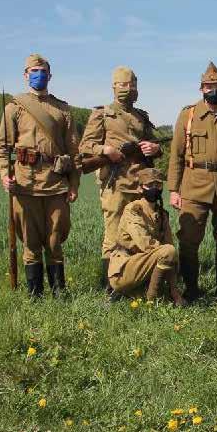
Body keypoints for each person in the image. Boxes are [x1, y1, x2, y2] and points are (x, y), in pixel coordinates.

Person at [0, 53, 79, 298]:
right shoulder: (14, 108)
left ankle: (59, 292)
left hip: (55, 184)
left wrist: (74, 183)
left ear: (50, 75)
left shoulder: (63, 109)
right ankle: (35, 295)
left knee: (54, 240)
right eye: (33, 71)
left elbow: (74, 152)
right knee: (30, 241)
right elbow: (0, 148)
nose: (38, 75)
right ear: (25, 75)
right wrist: (3, 175)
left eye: (42, 71)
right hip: (25, 183)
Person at [167, 61, 217, 303]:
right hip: (194, 186)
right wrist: (173, 189)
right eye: (208, 86)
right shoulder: (188, 115)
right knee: (189, 240)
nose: (213, 89)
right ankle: (191, 288)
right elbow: (177, 155)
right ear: (201, 88)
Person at [79, 66, 161, 289]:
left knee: (141, 232)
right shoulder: (102, 114)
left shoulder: (141, 117)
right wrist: (105, 150)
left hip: (140, 184)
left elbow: (154, 146)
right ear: (114, 87)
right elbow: (85, 146)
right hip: (115, 183)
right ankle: (110, 285)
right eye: (123, 85)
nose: (128, 89)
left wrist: (154, 148)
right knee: (114, 235)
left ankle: (138, 282)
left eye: (132, 85)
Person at [107, 168, 185, 306]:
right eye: (150, 185)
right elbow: (146, 244)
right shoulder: (133, 210)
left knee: (170, 255)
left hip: (146, 264)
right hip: (125, 267)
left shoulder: (162, 214)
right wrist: (165, 253)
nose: (154, 189)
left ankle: (136, 294)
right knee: (167, 251)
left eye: (158, 185)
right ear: (140, 188)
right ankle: (151, 299)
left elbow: (170, 247)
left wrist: (174, 289)